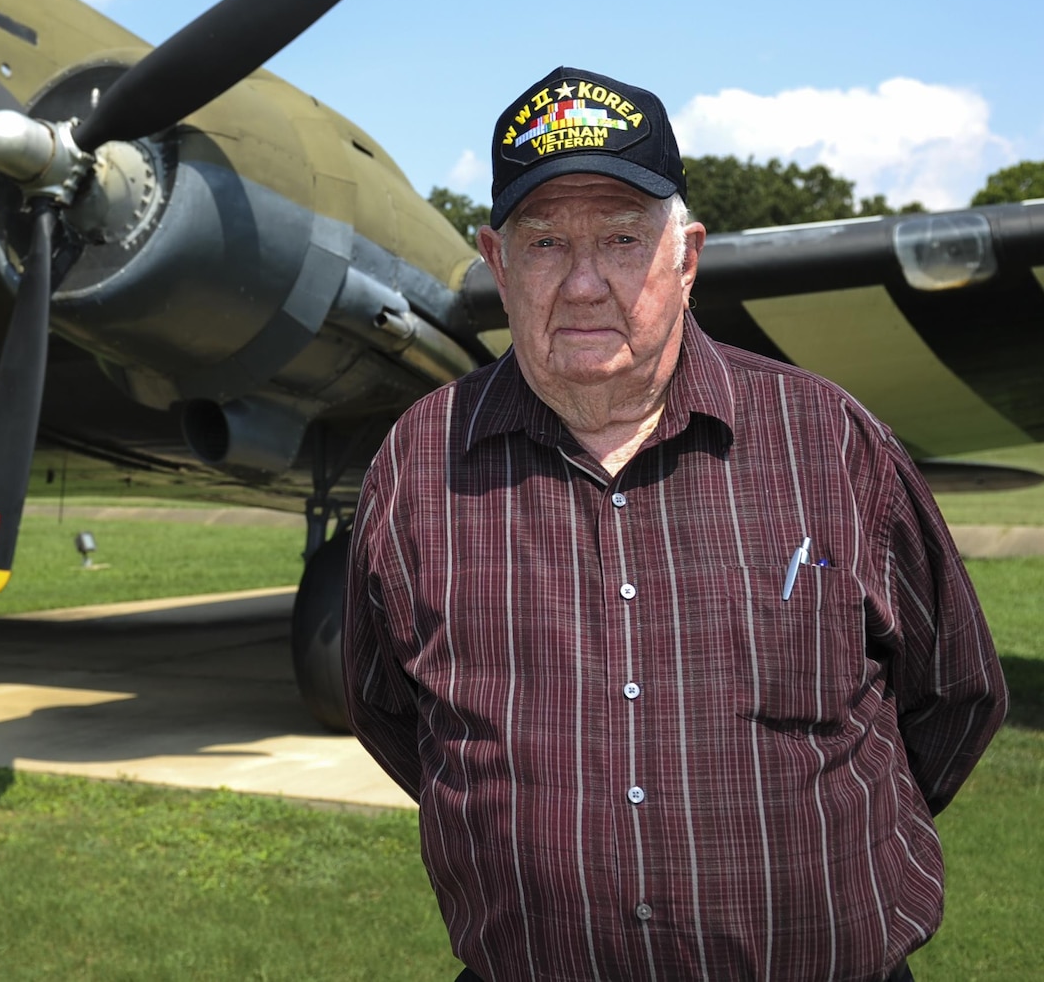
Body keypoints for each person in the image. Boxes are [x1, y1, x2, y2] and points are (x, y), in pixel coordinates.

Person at [343, 67, 1006, 982]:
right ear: (497, 263)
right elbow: (389, 710)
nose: (582, 283)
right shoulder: (417, 463)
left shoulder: (830, 440)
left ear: (686, 256)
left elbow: (956, 695)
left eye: (622, 238)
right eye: (544, 244)